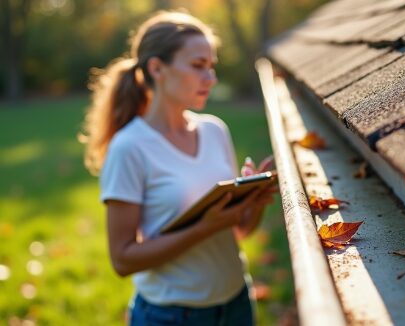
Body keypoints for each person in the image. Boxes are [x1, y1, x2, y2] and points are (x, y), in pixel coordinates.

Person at [81, 10, 276, 325]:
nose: (210, 78)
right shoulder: (130, 147)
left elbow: (238, 231)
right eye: (198, 66)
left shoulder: (215, 130)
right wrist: (204, 227)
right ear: (157, 68)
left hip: (238, 304)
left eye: (211, 67)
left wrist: (251, 204)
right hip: (170, 316)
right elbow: (122, 259)